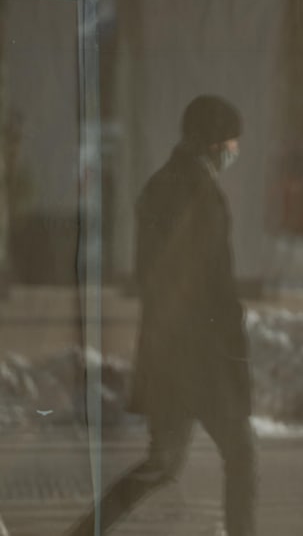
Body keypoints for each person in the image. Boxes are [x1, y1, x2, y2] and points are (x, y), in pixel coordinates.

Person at [66, 95, 256, 536]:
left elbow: (150, 277)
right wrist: (235, 356)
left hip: (170, 356)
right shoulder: (201, 196)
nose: (235, 150)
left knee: (163, 463)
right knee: (239, 455)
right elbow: (217, 289)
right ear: (213, 143)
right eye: (231, 141)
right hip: (203, 361)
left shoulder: (159, 186)